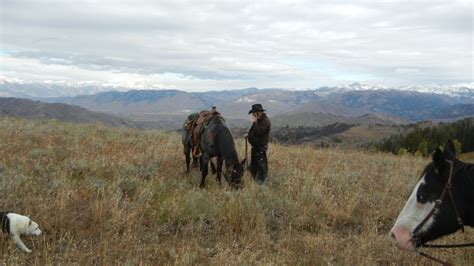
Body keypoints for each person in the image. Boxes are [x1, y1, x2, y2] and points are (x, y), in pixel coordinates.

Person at [246, 104, 271, 185]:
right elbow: (254, 131)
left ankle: (261, 184)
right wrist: (249, 135)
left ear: (258, 113)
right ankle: (254, 181)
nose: (253, 115)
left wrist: (255, 121)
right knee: (254, 165)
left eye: (254, 113)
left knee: (261, 166)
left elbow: (259, 132)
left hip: (260, 148)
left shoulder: (265, 121)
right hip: (255, 147)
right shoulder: (259, 121)